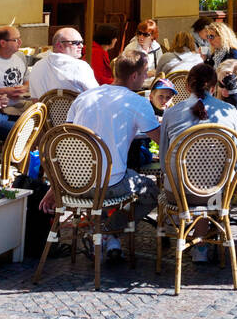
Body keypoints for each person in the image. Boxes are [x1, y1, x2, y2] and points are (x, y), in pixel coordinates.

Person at [51, 52, 160, 263]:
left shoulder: (84, 97)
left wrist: (53, 186)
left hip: (74, 184)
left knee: (114, 172)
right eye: (145, 73)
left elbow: (65, 144)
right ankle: (108, 231)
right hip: (110, 184)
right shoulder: (136, 102)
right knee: (152, 191)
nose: (146, 77)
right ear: (135, 76)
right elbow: (161, 141)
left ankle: (105, 235)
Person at [160, 60, 237, 262]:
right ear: (214, 87)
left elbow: (163, 159)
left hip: (179, 194)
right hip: (216, 193)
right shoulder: (229, 112)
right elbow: (235, 156)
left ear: (187, 86)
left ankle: (190, 237)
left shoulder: (171, 113)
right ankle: (201, 245)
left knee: (180, 179)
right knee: (212, 181)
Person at [28, 27, 98, 100]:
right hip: (77, 111)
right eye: (76, 43)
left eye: (81, 42)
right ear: (60, 46)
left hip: (45, 111)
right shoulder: (80, 66)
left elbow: (35, 100)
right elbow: (95, 96)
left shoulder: (37, 66)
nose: (81, 46)